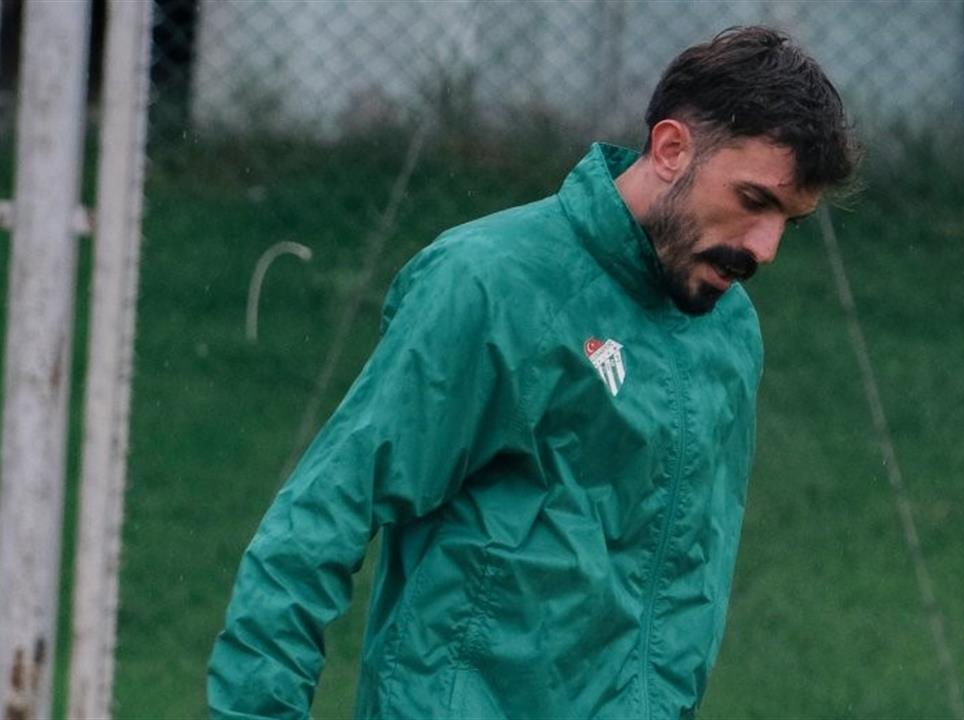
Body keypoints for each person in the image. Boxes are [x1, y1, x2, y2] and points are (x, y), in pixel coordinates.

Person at [208, 25, 857, 719]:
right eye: (754, 201)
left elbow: (687, 581)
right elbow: (318, 522)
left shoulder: (728, 330)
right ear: (672, 149)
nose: (765, 248)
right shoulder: (488, 283)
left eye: (789, 221)